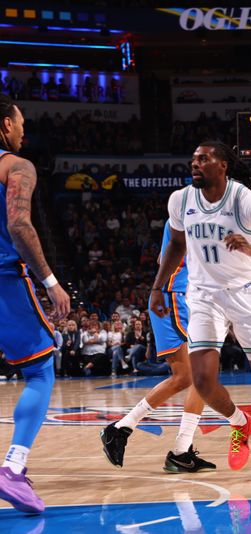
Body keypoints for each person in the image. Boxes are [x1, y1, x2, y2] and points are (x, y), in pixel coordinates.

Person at [150, 141, 251, 481]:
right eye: (193, 159)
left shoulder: (245, 200)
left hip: (245, 295)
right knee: (201, 380)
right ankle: (240, 422)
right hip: (203, 295)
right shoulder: (180, 200)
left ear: (222, 165)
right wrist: (159, 286)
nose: (195, 164)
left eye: (203, 158)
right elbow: (175, 244)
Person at [0, 93, 71, 514]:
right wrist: (49, 280)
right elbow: (19, 222)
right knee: (40, 370)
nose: (25, 130)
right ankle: (13, 466)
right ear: (6, 125)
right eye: (21, 123)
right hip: (4, 278)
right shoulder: (16, 165)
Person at [100, 224, 215, 474]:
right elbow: (167, 256)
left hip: (181, 297)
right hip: (174, 296)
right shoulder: (190, 208)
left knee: (190, 377)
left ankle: (171, 448)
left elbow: (165, 256)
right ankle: (130, 433)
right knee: (197, 375)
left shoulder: (200, 212)